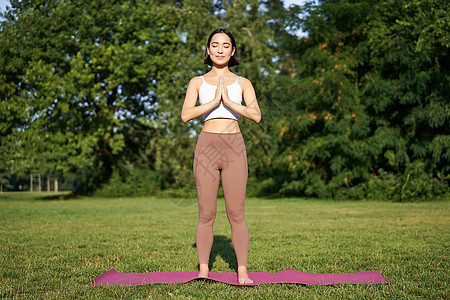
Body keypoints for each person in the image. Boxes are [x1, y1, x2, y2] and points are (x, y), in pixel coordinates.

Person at [181, 28, 261, 284]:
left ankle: (242, 271)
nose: (219, 49)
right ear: (207, 50)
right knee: (206, 213)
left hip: (234, 147)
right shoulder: (197, 82)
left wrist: (228, 100)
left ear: (233, 51)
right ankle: (203, 269)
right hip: (207, 146)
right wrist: (214, 102)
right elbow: (185, 115)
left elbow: (256, 115)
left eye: (225, 45)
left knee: (236, 213)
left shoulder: (243, 83)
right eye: (214, 45)